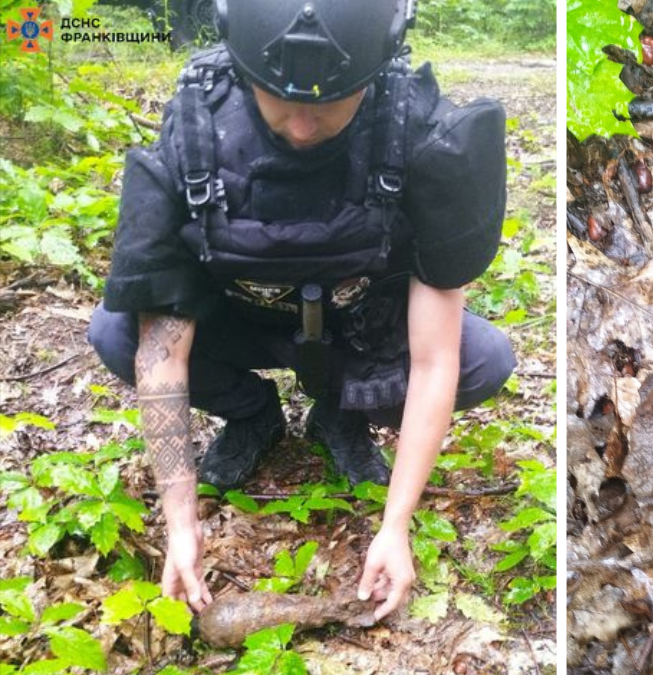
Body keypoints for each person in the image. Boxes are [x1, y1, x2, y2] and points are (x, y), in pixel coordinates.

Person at [86, 0, 515, 620]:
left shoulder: (418, 132)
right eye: (279, 98)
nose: (303, 126)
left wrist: (396, 526)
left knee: (486, 360)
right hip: (240, 321)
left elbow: (436, 357)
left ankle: (339, 415)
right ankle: (252, 413)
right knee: (115, 332)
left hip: (358, 327)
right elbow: (163, 347)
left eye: (329, 101)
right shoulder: (198, 129)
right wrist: (181, 525)